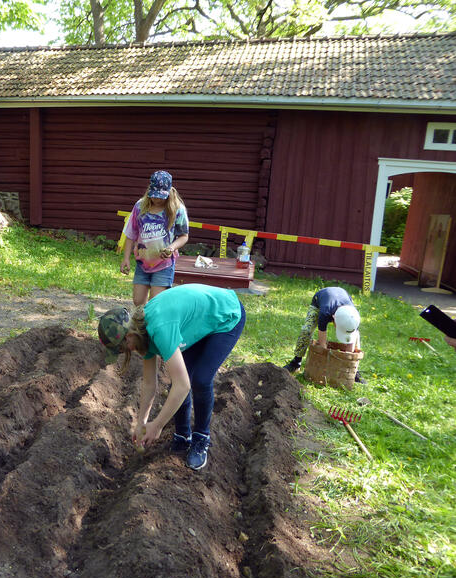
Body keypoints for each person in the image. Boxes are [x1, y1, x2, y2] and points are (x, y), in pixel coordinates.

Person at [98, 283, 246, 471]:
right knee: (177, 381)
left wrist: (158, 425)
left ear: (128, 336)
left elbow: (183, 385)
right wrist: (142, 422)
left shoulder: (159, 329)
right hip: (198, 322)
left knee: (199, 379)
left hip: (225, 315)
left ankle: (201, 438)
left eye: (122, 348)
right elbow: (150, 383)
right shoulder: (140, 334)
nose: (126, 351)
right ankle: (183, 436)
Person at [120, 170, 189, 307]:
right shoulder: (140, 207)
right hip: (143, 263)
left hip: (164, 264)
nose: (157, 199)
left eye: (160, 196)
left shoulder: (177, 209)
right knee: (138, 301)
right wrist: (126, 258)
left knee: (155, 303)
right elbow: (130, 234)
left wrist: (171, 247)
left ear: (169, 192)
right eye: (154, 196)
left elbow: (184, 236)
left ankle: (151, 327)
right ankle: (141, 323)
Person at [282, 286, 365, 383]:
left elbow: (354, 341)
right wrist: (326, 364)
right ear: (333, 318)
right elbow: (322, 344)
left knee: (354, 343)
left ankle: (355, 372)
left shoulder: (353, 317)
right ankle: (296, 362)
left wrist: (350, 363)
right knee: (306, 331)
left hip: (341, 299)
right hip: (320, 300)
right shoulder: (324, 312)